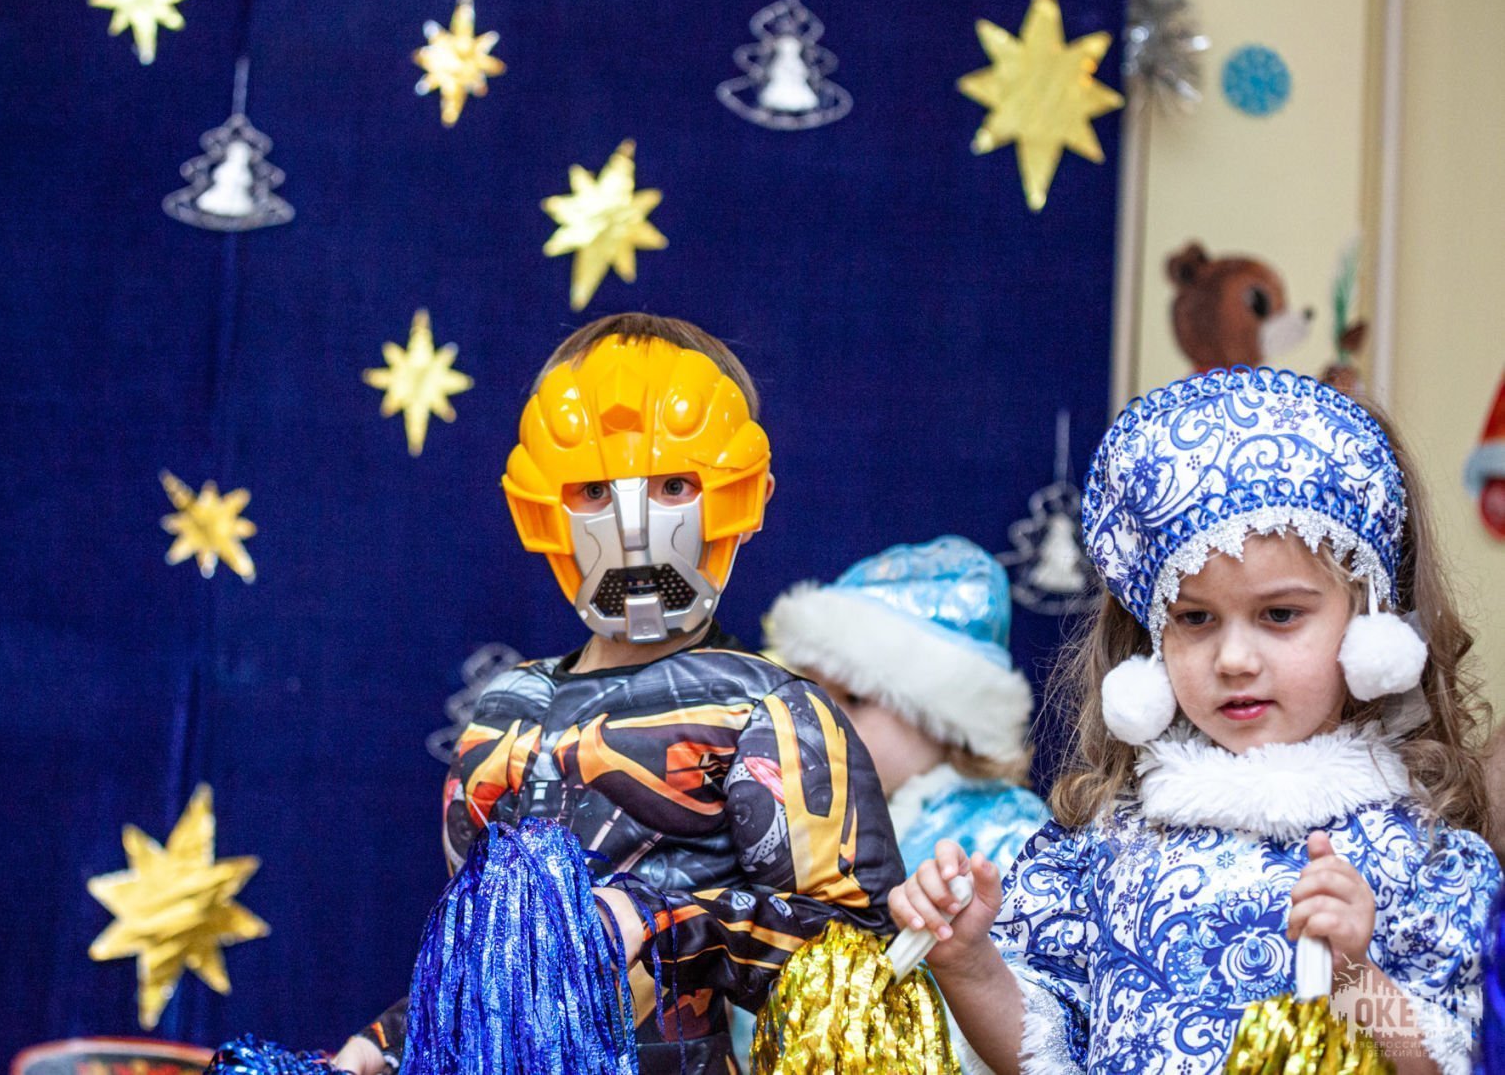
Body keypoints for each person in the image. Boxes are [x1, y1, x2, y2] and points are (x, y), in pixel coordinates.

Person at [336, 312, 903, 1075]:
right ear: (542, 504)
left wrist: (667, 922)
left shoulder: (770, 711)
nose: (634, 529)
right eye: (595, 489)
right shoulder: (506, 715)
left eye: (673, 485)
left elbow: (864, 966)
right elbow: (490, 971)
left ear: (742, 496)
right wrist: (386, 1043)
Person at [890, 367, 1499, 1073]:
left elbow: (1462, 1059)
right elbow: (1038, 1055)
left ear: (1369, 623)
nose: (1234, 659)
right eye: (1196, 619)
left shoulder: (1427, 856)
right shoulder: (1102, 845)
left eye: (1280, 614)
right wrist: (967, 960)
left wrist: (1356, 981)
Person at [756, 534, 1048, 1068]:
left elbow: (1031, 1017)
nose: (821, 720)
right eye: (810, 695)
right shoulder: (800, 825)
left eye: (854, 698)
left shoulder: (1009, 834)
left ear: (942, 719)